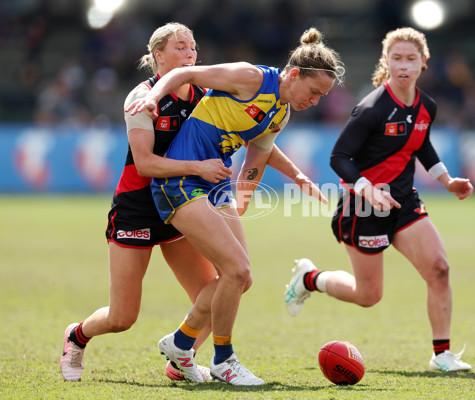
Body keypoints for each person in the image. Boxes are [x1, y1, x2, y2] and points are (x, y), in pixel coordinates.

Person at [60, 22, 327, 383]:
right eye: (180, 48)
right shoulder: (142, 97)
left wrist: (295, 175)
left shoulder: (208, 93)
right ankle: (77, 336)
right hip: (139, 205)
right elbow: (144, 164)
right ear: (158, 55)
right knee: (123, 317)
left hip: (192, 195)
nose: (189, 55)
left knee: (227, 285)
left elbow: (257, 136)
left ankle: (182, 356)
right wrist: (197, 165)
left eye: (193, 48)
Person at [126, 27, 344, 385]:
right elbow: (186, 73)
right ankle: (223, 359)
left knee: (241, 279)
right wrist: (154, 96)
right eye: (314, 91)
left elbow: (258, 154)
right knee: (237, 271)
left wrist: (243, 199)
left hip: (214, 186)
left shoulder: (281, 112)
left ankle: (181, 344)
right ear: (293, 75)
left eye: (323, 96)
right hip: (179, 182)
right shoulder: (251, 78)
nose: (316, 101)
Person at [284, 27, 474, 372]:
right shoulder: (372, 108)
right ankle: (310, 278)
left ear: (423, 63)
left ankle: (442, 355)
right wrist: (367, 187)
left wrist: (447, 180)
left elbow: (422, 145)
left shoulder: (426, 106)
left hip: (403, 202)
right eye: (397, 58)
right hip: (363, 207)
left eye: (411, 59)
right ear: (386, 61)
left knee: (439, 269)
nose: (404, 65)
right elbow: (339, 157)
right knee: (368, 296)